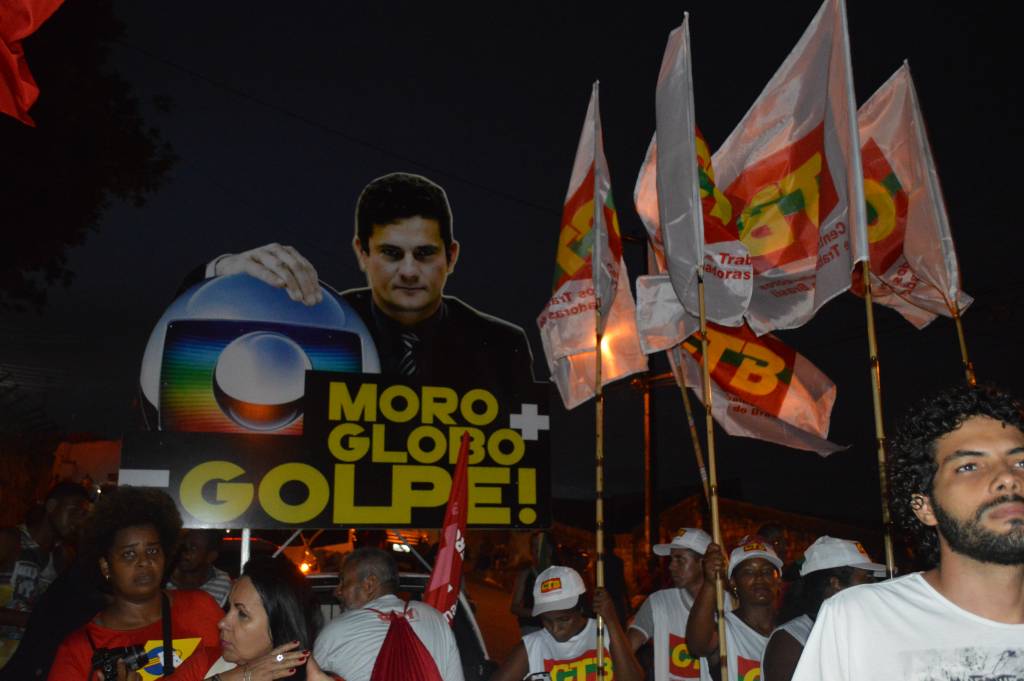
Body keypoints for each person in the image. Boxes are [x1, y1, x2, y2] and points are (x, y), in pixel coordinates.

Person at [199, 172, 535, 392]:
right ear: (362, 252)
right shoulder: (320, 324)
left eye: (424, 254)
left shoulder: (502, 345)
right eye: (391, 253)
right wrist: (225, 269)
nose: (408, 271)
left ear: (452, 256)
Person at [792, 385, 1024, 680]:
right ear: (924, 507)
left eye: (1021, 462)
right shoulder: (862, 620)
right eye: (969, 466)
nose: (1008, 477)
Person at [47, 486, 223, 680]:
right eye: (129, 554)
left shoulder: (201, 607)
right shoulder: (79, 649)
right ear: (106, 567)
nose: (144, 561)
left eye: (153, 551)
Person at [312, 547, 463, 681]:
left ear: (369, 584)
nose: (337, 591)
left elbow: (309, 675)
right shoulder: (435, 619)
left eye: (343, 581)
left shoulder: (335, 632)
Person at [761, 536, 884, 681]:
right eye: (867, 578)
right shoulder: (791, 640)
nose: (873, 585)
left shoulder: (861, 630)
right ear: (835, 584)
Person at [491, 565, 643, 681]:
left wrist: (611, 620)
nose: (555, 629)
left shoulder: (604, 634)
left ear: (581, 607)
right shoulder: (532, 647)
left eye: (563, 619)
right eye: (546, 621)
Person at [0, 481, 91, 668]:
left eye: (83, 516)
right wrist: (33, 620)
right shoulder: (10, 541)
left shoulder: (63, 556)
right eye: (73, 512)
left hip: (29, 664)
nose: (78, 521)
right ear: (51, 507)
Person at [206, 554, 328, 681]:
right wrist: (235, 677)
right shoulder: (204, 662)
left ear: (279, 627)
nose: (222, 623)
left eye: (242, 614)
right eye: (227, 608)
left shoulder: (317, 678)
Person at [687, 536, 782, 681]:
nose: (759, 578)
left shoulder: (790, 628)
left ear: (778, 580)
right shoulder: (726, 631)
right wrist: (711, 582)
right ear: (733, 582)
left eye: (767, 571)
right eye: (749, 572)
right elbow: (698, 645)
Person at [628, 528, 712, 681]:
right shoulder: (659, 603)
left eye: (680, 560)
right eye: (672, 559)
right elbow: (625, 650)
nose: (671, 566)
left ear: (703, 563)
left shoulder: (727, 605)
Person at [167, 530, 232, 608]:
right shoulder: (162, 579)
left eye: (193, 548)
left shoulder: (222, 582)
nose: (184, 552)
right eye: (183, 545)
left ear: (210, 556)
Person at [509, 531, 552, 636]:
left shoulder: (557, 573)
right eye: (534, 546)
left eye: (541, 546)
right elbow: (514, 607)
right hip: (532, 627)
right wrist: (536, 612)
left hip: (552, 629)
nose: (537, 550)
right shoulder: (526, 573)